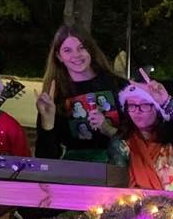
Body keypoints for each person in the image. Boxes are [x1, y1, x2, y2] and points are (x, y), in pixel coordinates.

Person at [34, 27, 128, 162]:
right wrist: (47, 124)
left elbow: (139, 138)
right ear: (59, 56)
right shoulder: (54, 96)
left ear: (90, 50)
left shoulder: (118, 86)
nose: (76, 55)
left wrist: (109, 130)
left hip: (118, 168)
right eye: (67, 50)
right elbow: (46, 158)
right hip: (75, 171)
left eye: (81, 48)